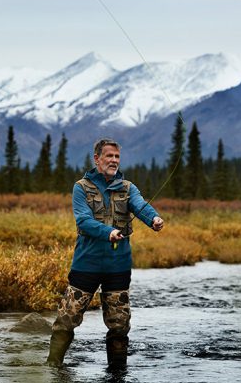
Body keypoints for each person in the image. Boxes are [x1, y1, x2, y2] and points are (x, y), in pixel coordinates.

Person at [47, 138, 164, 369]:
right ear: (97, 159)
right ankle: (53, 365)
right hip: (86, 264)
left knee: (119, 325)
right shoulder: (81, 187)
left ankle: (117, 374)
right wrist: (108, 232)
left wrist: (154, 219)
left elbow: (140, 206)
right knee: (66, 319)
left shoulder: (128, 188)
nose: (113, 161)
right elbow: (83, 220)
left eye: (117, 157)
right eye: (109, 156)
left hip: (117, 267)